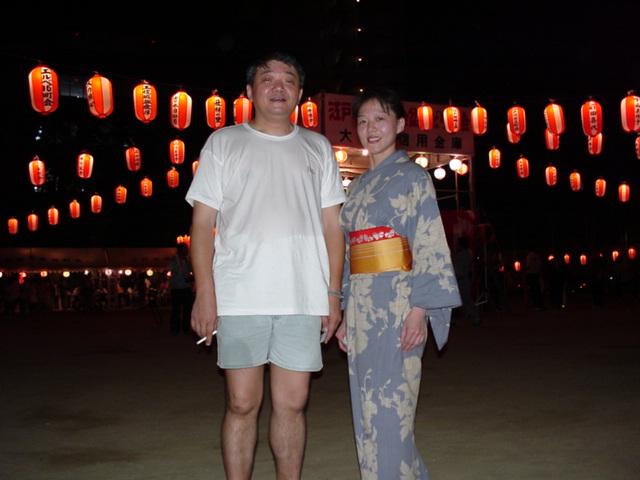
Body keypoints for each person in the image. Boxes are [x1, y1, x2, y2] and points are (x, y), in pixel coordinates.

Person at [186, 52, 345, 479]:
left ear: (300, 93)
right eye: (267, 79)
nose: (278, 87)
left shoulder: (317, 147)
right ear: (249, 91)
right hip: (240, 295)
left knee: (293, 404)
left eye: (288, 80)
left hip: (303, 295)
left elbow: (333, 227)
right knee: (242, 403)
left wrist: (333, 294)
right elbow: (202, 224)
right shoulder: (224, 142)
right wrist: (205, 292)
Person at [336, 88, 461, 479]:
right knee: (368, 411)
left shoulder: (413, 178)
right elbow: (348, 254)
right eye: (362, 121)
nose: (370, 128)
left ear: (400, 124)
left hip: (398, 307)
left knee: (393, 410)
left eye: (380, 119)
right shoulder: (357, 187)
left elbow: (429, 242)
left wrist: (420, 309)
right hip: (362, 311)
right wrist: (344, 313)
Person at [452, 236, 480, 325]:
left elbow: (458, 268)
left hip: (462, 279)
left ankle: (475, 316)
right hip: (464, 279)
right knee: (465, 299)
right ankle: (470, 315)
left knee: (466, 299)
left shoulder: (462, 255)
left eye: (458, 244)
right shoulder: (468, 253)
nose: (456, 245)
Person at [168, 243, 194, 334]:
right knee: (176, 309)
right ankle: (175, 328)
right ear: (180, 250)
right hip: (176, 288)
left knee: (187, 309)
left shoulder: (187, 260)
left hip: (186, 287)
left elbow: (191, 270)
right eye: (185, 249)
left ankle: (185, 328)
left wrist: (190, 277)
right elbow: (169, 271)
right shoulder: (173, 260)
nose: (186, 251)